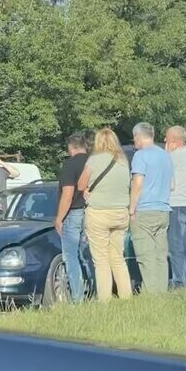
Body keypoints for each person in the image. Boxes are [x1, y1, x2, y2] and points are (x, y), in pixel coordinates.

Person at [76, 128, 133, 302]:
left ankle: (104, 300)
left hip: (99, 213)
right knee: (118, 258)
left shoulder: (94, 160)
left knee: (101, 260)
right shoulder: (123, 161)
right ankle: (126, 297)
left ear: (98, 142)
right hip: (121, 213)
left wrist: (87, 191)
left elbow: (80, 184)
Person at [129, 122, 173, 294]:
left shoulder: (140, 156)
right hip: (163, 209)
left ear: (139, 136)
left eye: (134, 138)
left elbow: (137, 184)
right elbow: (172, 185)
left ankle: (150, 295)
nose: (134, 142)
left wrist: (132, 209)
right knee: (160, 256)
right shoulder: (165, 155)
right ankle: (161, 292)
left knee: (146, 256)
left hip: (145, 211)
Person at [53, 133, 90, 303]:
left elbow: (68, 194)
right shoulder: (93, 163)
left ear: (71, 147)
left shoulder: (70, 165)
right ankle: (94, 291)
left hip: (73, 213)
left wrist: (59, 218)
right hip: (91, 212)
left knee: (71, 256)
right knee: (89, 255)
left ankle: (77, 297)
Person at [165, 126, 186, 288]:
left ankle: (179, 281)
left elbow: (163, 172)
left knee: (176, 245)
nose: (165, 140)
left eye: (167, 138)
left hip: (176, 204)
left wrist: (167, 153)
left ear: (175, 141)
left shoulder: (174, 156)